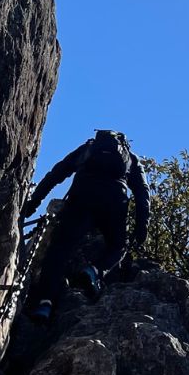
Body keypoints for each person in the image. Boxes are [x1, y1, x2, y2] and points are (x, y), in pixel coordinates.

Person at [20, 129, 150, 322]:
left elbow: (57, 173)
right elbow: (142, 194)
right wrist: (141, 229)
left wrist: (33, 203)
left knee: (59, 251)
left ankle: (44, 304)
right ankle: (92, 271)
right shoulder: (130, 158)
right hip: (114, 203)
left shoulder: (89, 148)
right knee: (118, 245)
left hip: (82, 198)